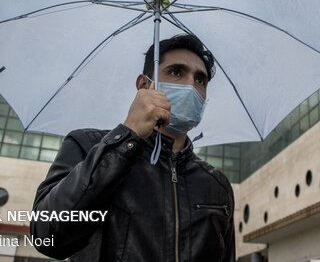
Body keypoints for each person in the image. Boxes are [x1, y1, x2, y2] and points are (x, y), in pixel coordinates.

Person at [31, 34, 235, 261]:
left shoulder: (217, 184)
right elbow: (46, 234)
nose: (191, 85)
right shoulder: (87, 147)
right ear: (143, 85)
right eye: (176, 72)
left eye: (200, 80)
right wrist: (128, 135)